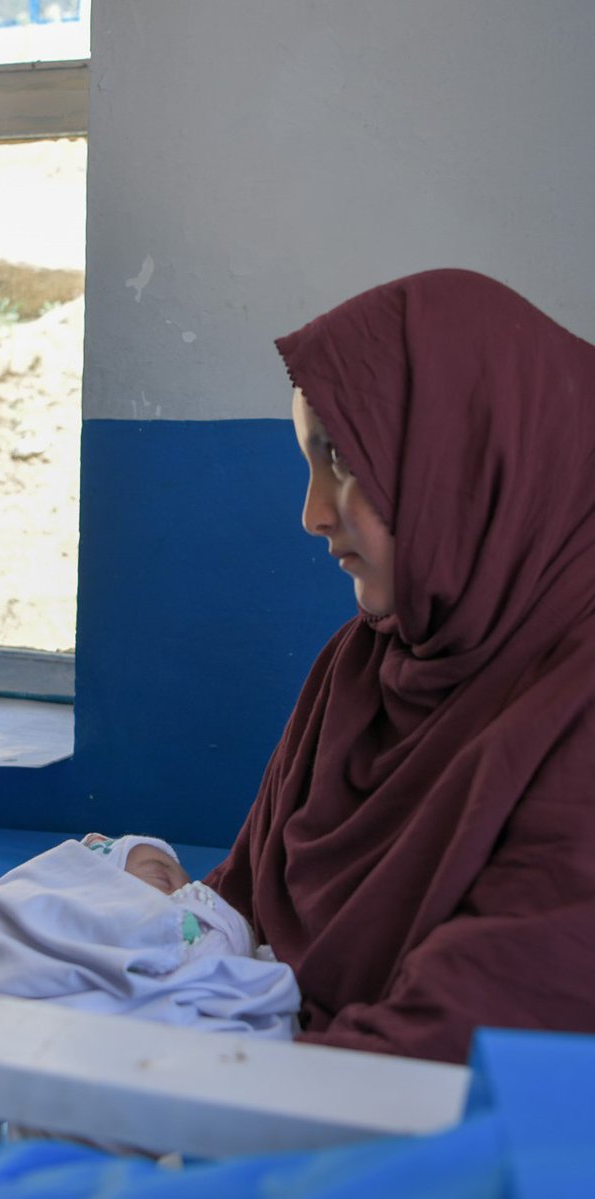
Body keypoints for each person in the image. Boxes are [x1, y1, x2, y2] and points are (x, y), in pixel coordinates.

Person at [205, 268, 595, 1065]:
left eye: (344, 460)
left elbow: (464, 1034)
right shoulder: (362, 667)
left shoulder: (574, 707)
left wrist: (181, 1089)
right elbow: (238, 902)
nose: (313, 514)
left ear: (472, 462)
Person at [0, 833, 300, 1036]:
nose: (184, 891)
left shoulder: (180, 926)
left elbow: (222, 953)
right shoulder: (52, 911)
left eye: (186, 888)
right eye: (161, 878)